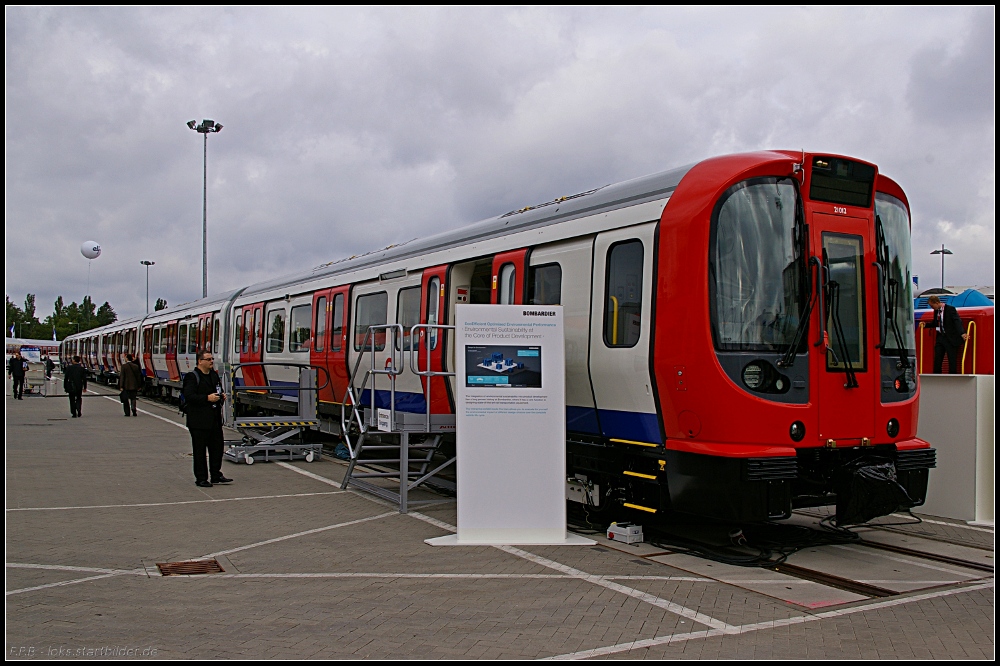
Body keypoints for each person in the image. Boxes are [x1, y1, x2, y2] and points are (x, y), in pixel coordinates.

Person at [182, 349, 233, 488]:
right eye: (209, 359)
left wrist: (221, 396)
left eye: (212, 359)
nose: (212, 362)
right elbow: (189, 396)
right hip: (198, 421)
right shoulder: (192, 377)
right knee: (199, 451)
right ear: (200, 361)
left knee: (217, 448)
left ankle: (216, 474)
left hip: (214, 420)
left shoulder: (214, 376)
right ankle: (201, 478)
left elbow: (218, 390)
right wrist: (207, 398)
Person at [928, 295, 969, 374]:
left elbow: (957, 322)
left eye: (932, 305)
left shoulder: (950, 309)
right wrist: (926, 325)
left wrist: (962, 333)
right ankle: (937, 376)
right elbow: (936, 323)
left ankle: (952, 377)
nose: (931, 308)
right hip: (940, 337)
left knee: (952, 359)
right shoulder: (936, 311)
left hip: (950, 338)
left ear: (936, 303)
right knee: (937, 359)